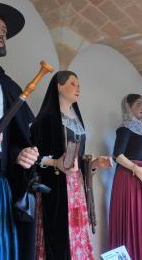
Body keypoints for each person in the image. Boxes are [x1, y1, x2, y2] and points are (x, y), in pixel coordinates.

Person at [30, 71, 111, 260]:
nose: (78, 88)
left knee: (77, 233)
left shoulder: (76, 121)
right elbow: (33, 155)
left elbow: (77, 160)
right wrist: (55, 162)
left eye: (79, 84)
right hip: (56, 188)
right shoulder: (46, 119)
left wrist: (94, 163)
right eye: (73, 83)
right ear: (59, 86)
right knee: (59, 237)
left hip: (76, 189)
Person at [0, 2, 39, 260]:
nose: (2, 33)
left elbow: (18, 138)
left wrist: (21, 154)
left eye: (4, 30)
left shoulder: (10, 86)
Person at [109, 94, 142, 260]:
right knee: (134, 220)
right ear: (128, 105)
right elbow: (117, 155)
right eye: (139, 104)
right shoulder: (125, 127)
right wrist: (136, 169)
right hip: (129, 178)